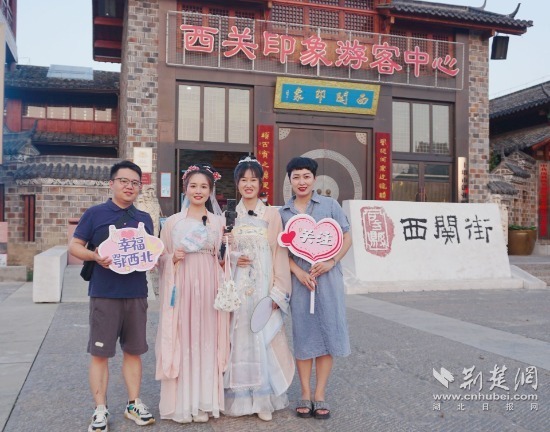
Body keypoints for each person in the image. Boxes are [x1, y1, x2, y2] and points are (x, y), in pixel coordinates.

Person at [69, 160, 156, 432]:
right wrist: (94, 256)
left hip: (136, 293)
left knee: (134, 351)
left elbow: (149, 252)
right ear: (112, 183)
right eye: (124, 181)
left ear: (139, 187)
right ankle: (100, 409)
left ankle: (133, 403)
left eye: (135, 183)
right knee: (100, 353)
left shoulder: (144, 219)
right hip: (104, 294)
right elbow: (74, 245)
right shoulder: (95, 214)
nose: (129, 187)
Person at [155, 163, 230, 424]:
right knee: (184, 335)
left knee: (208, 337)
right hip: (183, 283)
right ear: (185, 188)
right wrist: (171, 258)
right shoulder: (172, 222)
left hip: (210, 284)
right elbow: (160, 257)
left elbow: (223, 258)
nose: (198, 191)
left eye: (204, 187)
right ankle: (183, 403)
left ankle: (204, 402)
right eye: (193, 186)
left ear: (211, 191)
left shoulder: (219, 222)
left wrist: (230, 256)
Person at [279, 157, 352, 420]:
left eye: (306, 176)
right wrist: (297, 272)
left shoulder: (330, 206)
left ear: (314, 178)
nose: (302, 182)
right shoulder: (283, 213)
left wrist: (331, 261)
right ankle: (305, 393)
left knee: (328, 333)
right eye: (296, 177)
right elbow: (280, 251)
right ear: (289, 180)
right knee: (304, 335)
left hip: (328, 280)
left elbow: (347, 236)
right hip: (300, 283)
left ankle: (320, 394)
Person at [223, 155, 294, 421]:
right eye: (243, 180)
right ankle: (240, 398)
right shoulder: (229, 215)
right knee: (239, 337)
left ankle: (264, 399)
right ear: (237, 184)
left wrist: (278, 291)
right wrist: (232, 257)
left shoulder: (272, 214)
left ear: (261, 183)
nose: (248, 184)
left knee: (263, 337)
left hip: (264, 287)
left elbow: (279, 253)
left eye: (253, 180)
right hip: (238, 288)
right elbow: (222, 252)